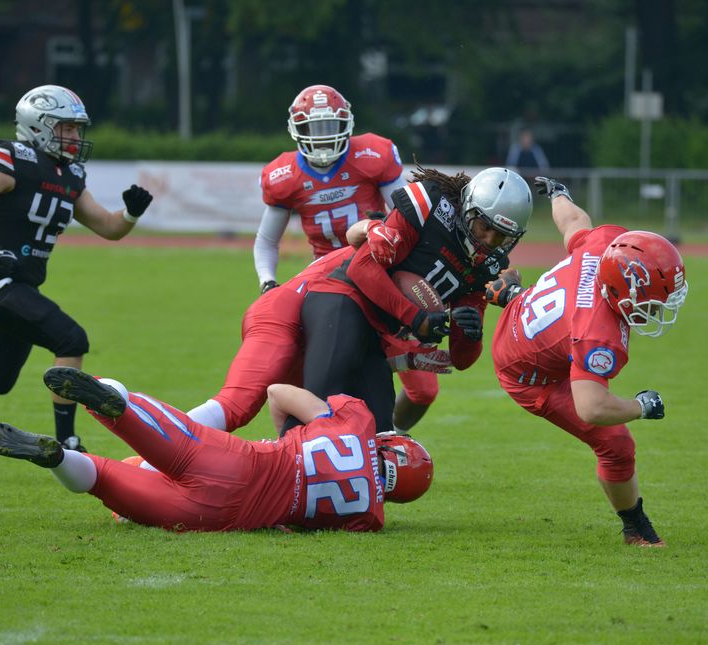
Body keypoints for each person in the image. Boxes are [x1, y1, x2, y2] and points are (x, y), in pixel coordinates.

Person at [0, 85, 154, 475]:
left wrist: (131, 213)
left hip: (18, 286)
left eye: (76, 129)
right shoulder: (14, 159)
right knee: (71, 339)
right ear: (39, 126)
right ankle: (68, 442)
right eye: (67, 128)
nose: (74, 136)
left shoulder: (69, 174)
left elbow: (108, 227)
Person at [0, 367, 434, 532]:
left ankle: (111, 397)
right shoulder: (369, 517)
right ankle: (58, 458)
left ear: (392, 443)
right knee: (104, 479)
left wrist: (286, 441)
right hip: (222, 516)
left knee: (134, 412)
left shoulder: (359, 421)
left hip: (238, 459)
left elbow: (277, 392)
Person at [488, 177, 688, 547]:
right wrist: (641, 406)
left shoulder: (606, 247)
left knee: (570, 320)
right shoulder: (598, 334)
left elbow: (574, 222)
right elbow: (592, 407)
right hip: (527, 373)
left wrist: (559, 194)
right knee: (616, 444)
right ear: (623, 291)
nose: (658, 307)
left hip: (538, 319)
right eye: (654, 299)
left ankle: (515, 295)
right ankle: (635, 528)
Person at [253, 85, 437, 432]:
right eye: (314, 128)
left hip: (380, 274)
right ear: (297, 129)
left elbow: (408, 214)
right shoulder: (284, 175)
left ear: (346, 123)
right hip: (326, 283)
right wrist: (268, 282)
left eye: (329, 126)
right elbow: (266, 241)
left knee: (424, 390)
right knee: (314, 372)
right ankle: (301, 448)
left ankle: (393, 441)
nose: (322, 137)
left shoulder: (372, 154)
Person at [295, 166, 533, 433]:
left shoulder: (489, 267)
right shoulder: (431, 206)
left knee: (380, 435)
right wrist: (416, 317)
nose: (488, 240)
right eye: (485, 227)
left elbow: (461, 359)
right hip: (343, 299)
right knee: (318, 403)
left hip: (378, 333)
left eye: (500, 235)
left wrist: (471, 335)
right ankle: (274, 455)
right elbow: (360, 268)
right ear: (469, 211)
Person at [185, 246, 452, 432]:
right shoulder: (383, 255)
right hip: (284, 313)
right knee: (237, 405)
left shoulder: (391, 281)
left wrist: (406, 360)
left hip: (316, 332)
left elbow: (356, 359)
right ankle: (162, 446)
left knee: (337, 421)